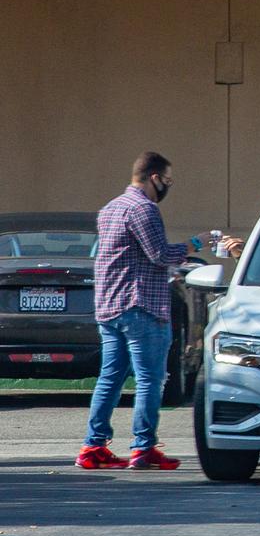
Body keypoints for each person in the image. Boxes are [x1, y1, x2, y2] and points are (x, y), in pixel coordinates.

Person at [76, 152, 241, 471]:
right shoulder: (143, 208)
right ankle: (143, 447)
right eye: (167, 180)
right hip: (141, 306)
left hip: (109, 306)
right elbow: (160, 254)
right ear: (154, 178)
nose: (167, 186)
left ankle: (93, 446)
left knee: (110, 377)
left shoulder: (111, 208)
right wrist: (197, 243)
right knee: (151, 379)